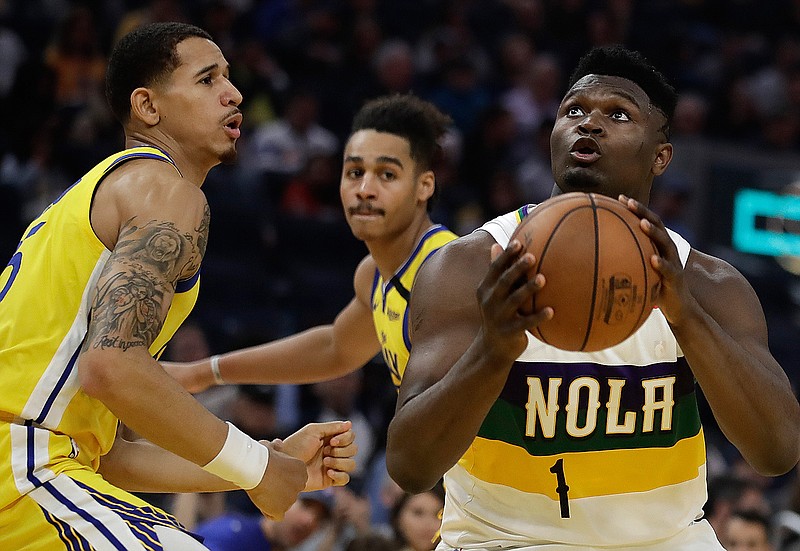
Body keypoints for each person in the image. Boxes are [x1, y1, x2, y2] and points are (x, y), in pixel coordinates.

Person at [385, 45, 800, 550]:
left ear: (661, 154)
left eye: (618, 114)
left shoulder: (710, 285)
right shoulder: (471, 266)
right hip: (501, 542)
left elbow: (777, 451)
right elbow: (410, 465)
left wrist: (685, 317)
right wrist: (492, 351)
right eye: (574, 110)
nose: (590, 124)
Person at [0, 22, 358, 550]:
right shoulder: (165, 190)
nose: (234, 94)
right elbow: (113, 365)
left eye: (230, 78)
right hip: (22, 468)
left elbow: (111, 457)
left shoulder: (96, 198)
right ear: (148, 107)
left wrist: (267, 464)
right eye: (208, 79)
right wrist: (257, 467)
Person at [165, 93, 457, 394]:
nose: (365, 190)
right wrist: (202, 373)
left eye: (387, 174)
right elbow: (336, 348)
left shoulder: (448, 268)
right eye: (355, 172)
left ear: (424, 186)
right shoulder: (373, 275)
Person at [194, 490, 335, 551]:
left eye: (320, 519)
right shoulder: (234, 533)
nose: (309, 521)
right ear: (281, 500)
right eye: (305, 506)